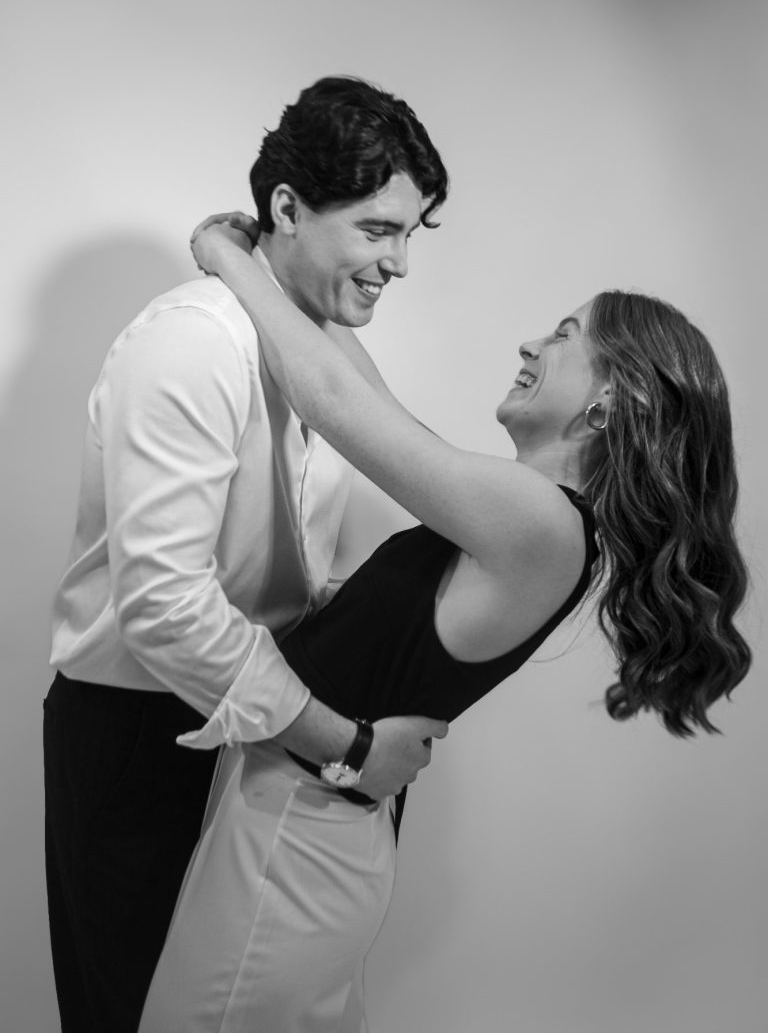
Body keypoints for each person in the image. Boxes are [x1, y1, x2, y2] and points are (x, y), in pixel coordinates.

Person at [138, 219, 751, 1033]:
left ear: (608, 402)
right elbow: (371, 404)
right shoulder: (529, 517)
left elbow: (333, 402)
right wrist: (292, 274)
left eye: (564, 335)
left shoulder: (537, 521)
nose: (531, 344)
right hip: (306, 829)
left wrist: (224, 255)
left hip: (297, 836)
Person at [43, 76, 449, 1033]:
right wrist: (348, 747)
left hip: (263, 732)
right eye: (378, 229)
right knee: (130, 1012)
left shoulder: (316, 353)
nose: (398, 263)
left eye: (410, 234)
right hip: (142, 739)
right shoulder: (190, 344)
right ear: (288, 210)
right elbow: (164, 608)